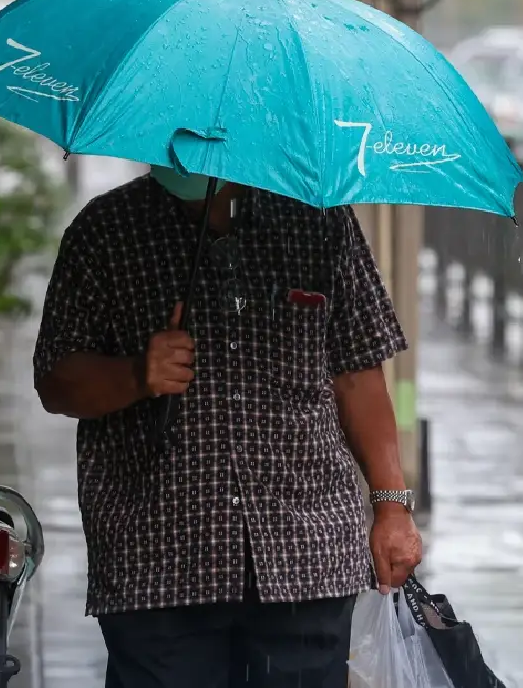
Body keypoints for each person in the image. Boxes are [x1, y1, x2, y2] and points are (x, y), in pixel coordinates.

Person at [33, 165, 423, 688]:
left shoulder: (319, 220)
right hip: (158, 563)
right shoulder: (103, 231)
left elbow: (358, 373)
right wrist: (135, 374)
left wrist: (392, 508)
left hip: (305, 555)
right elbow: (55, 380)